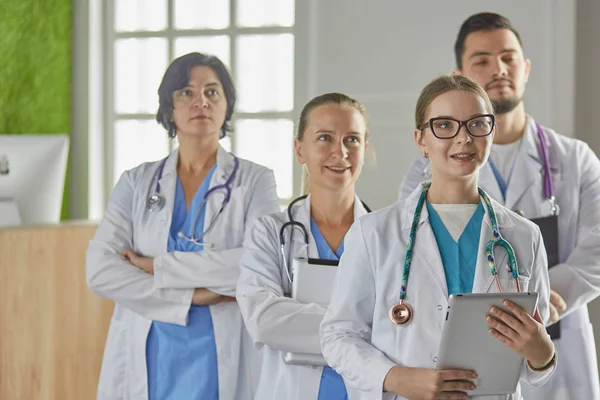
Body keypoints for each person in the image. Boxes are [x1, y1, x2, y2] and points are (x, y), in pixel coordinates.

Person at [397, 13, 600, 399]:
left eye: (509, 58)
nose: (499, 69)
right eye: (482, 61)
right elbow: (409, 244)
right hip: (465, 349)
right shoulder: (424, 168)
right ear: (461, 75)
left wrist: (543, 297)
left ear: (525, 68)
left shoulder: (575, 159)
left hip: (561, 340)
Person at [321, 75, 557, 400]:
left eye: (477, 124)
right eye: (445, 125)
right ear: (421, 139)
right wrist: (395, 378)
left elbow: (534, 366)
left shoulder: (523, 236)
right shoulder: (374, 233)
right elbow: (338, 336)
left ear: (491, 131)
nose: (463, 138)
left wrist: (543, 355)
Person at [86, 52, 280, 400]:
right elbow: (100, 271)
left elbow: (257, 264)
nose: (200, 101)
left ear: (226, 106)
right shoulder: (136, 182)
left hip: (221, 345)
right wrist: (195, 296)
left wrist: (157, 267)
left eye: (212, 91)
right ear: (169, 108)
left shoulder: (255, 181)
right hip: (150, 345)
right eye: (186, 93)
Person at [236, 93, 372, 399]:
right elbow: (263, 320)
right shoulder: (270, 232)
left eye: (352, 139)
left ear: (365, 148)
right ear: (300, 149)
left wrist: (300, 322)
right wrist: (362, 324)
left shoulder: (387, 236)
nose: (340, 152)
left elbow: (402, 326)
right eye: (325, 138)